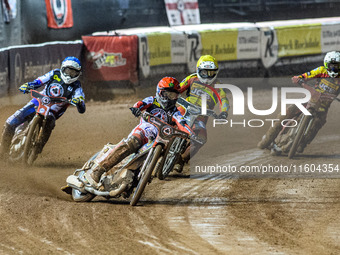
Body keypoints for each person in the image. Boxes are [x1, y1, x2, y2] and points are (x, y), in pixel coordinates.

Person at [84, 76, 193, 188]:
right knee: (133, 142)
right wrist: (136, 108)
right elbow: (141, 103)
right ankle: (98, 170)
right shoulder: (153, 100)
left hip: (159, 140)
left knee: (157, 158)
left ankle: (132, 182)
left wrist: (191, 134)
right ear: (159, 92)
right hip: (145, 129)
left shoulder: (175, 112)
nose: (168, 98)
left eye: (172, 95)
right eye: (166, 94)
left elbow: (182, 124)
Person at [0, 56, 86, 158]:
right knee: (11, 121)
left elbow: (80, 100)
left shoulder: (77, 85)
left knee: (49, 121)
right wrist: (29, 85)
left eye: (73, 73)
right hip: (39, 100)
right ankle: (3, 153)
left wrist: (79, 102)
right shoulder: (55, 73)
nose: (70, 75)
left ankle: (38, 147)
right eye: (68, 71)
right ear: (63, 68)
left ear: (78, 73)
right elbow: (40, 80)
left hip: (54, 109)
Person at [258, 50, 340, 153]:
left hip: (322, 109)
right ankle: (268, 137)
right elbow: (306, 76)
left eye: (337, 66)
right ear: (326, 64)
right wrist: (299, 78)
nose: (335, 69)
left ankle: (301, 143)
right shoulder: (321, 71)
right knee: (284, 115)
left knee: (315, 127)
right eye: (333, 66)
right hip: (308, 100)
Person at [173, 55, 230, 172]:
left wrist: (224, 112)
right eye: (204, 72)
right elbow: (178, 89)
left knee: (201, 138)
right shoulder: (192, 78)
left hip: (200, 117)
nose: (208, 76)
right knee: (167, 118)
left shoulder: (218, 86)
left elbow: (224, 100)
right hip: (184, 109)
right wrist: (171, 95)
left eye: (211, 73)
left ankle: (181, 159)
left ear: (216, 72)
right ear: (198, 70)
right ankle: (153, 142)